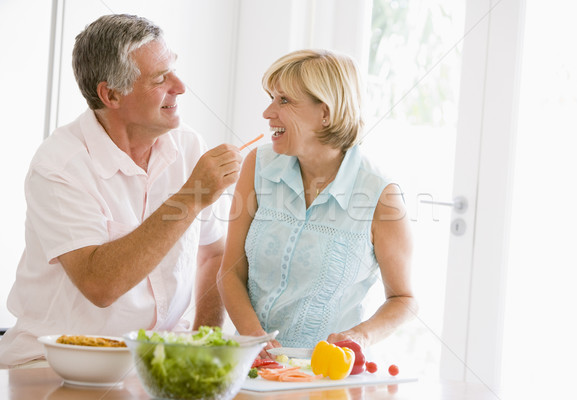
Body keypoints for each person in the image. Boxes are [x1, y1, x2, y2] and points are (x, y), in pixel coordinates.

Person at [0, 14, 241, 368]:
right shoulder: (59, 165)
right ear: (111, 94)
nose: (181, 86)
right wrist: (191, 197)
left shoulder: (188, 145)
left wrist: (203, 349)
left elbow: (213, 255)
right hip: (55, 365)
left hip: (155, 364)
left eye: (173, 69)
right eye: (161, 78)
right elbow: (101, 285)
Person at [218, 49, 416, 356]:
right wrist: (255, 338)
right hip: (252, 367)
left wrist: (360, 337)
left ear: (325, 113)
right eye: (271, 97)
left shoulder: (382, 196)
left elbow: (403, 299)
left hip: (327, 373)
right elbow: (230, 271)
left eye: (283, 100)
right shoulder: (256, 166)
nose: (268, 112)